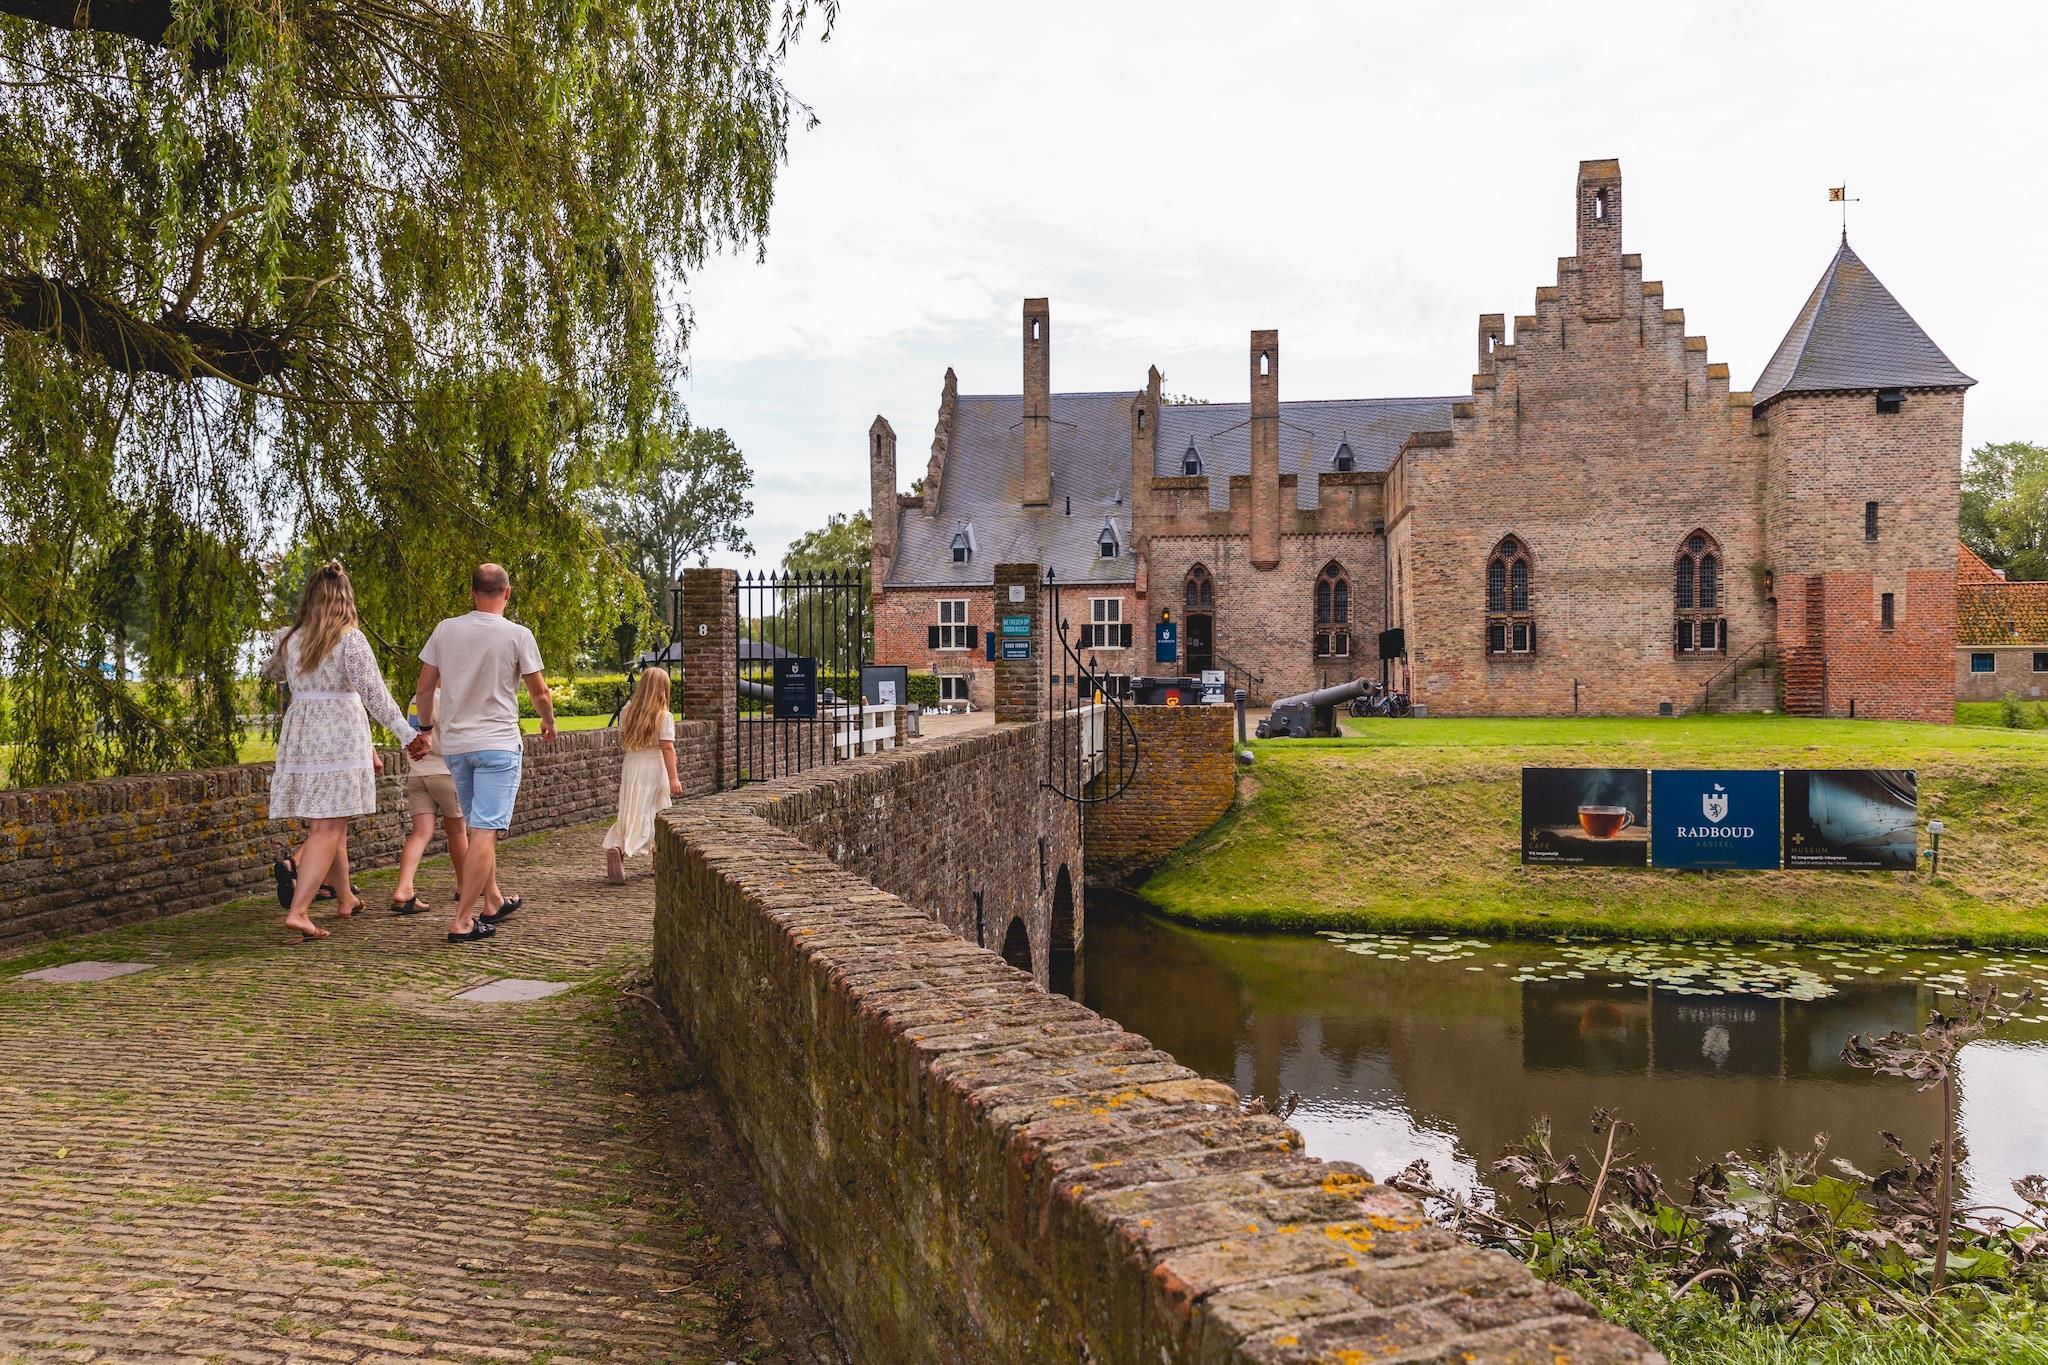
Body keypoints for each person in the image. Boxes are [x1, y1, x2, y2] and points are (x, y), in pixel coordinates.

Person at [266, 561, 420, 941]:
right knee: (328, 825)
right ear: (345, 598)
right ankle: (300, 911)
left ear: (310, 598)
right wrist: (407, 733)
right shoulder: (350, 639)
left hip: (303, 736)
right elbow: (374, 694)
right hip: (339, 734)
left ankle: (346, 897)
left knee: (333, 823)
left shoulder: (289, 638)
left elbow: (272, 673)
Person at [416, 563, 554, 944]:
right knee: (484, 830)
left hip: (457, 747)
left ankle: (492, 901)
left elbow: (425, 689)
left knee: (478, 826)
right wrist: (548, 722)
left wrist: (426, 729)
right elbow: (539, 692)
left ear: (472, 592)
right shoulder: (518, 635)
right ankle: (463, 920)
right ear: (507, 593)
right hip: (497, 744)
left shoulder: (445, 630)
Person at [601, 668, 683, 882]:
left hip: (632, 763)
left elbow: (623, 737)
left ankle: (618, 846)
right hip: (654, 766)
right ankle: (658, 861)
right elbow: (667, 748)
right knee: (657, 810)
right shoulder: (664, 716)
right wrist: (674, 778)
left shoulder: (627, 711)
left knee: (630, 809)